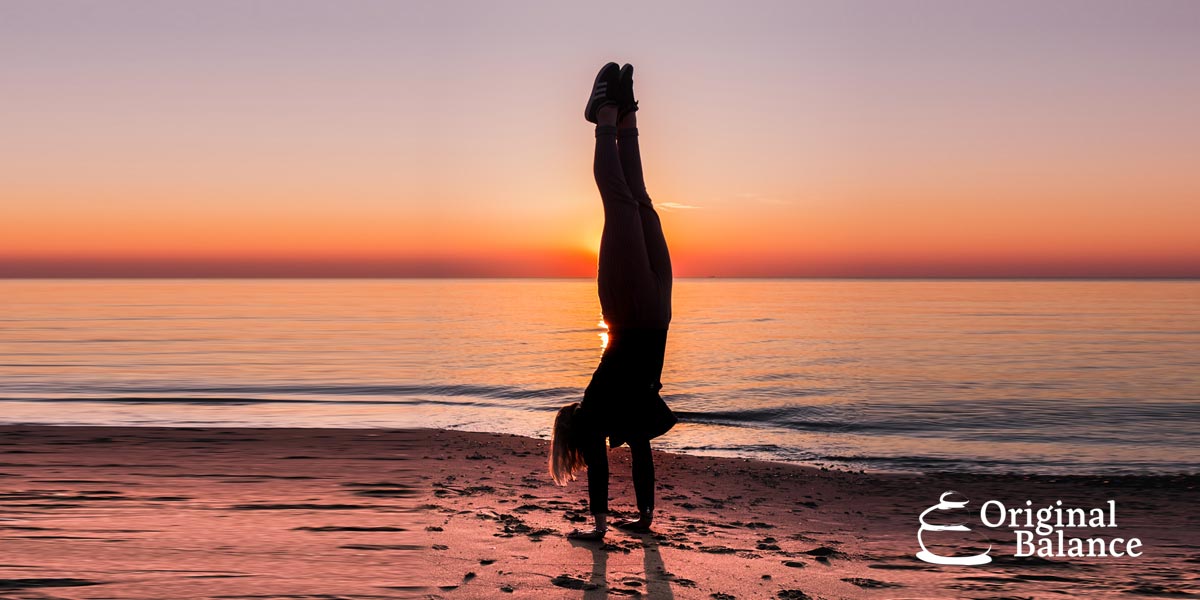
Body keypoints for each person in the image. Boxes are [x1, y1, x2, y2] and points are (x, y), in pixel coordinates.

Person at [548, 62, 677, 541]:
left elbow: (607, 460)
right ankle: (618, 119)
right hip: (641, 310)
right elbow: (636, 451)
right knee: (633, 200)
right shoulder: (613, 407)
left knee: (631, 201)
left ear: (575, 430)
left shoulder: (597, 407)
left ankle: (611, 114)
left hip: (650, 311)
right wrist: (634, 522)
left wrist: (602, 528)